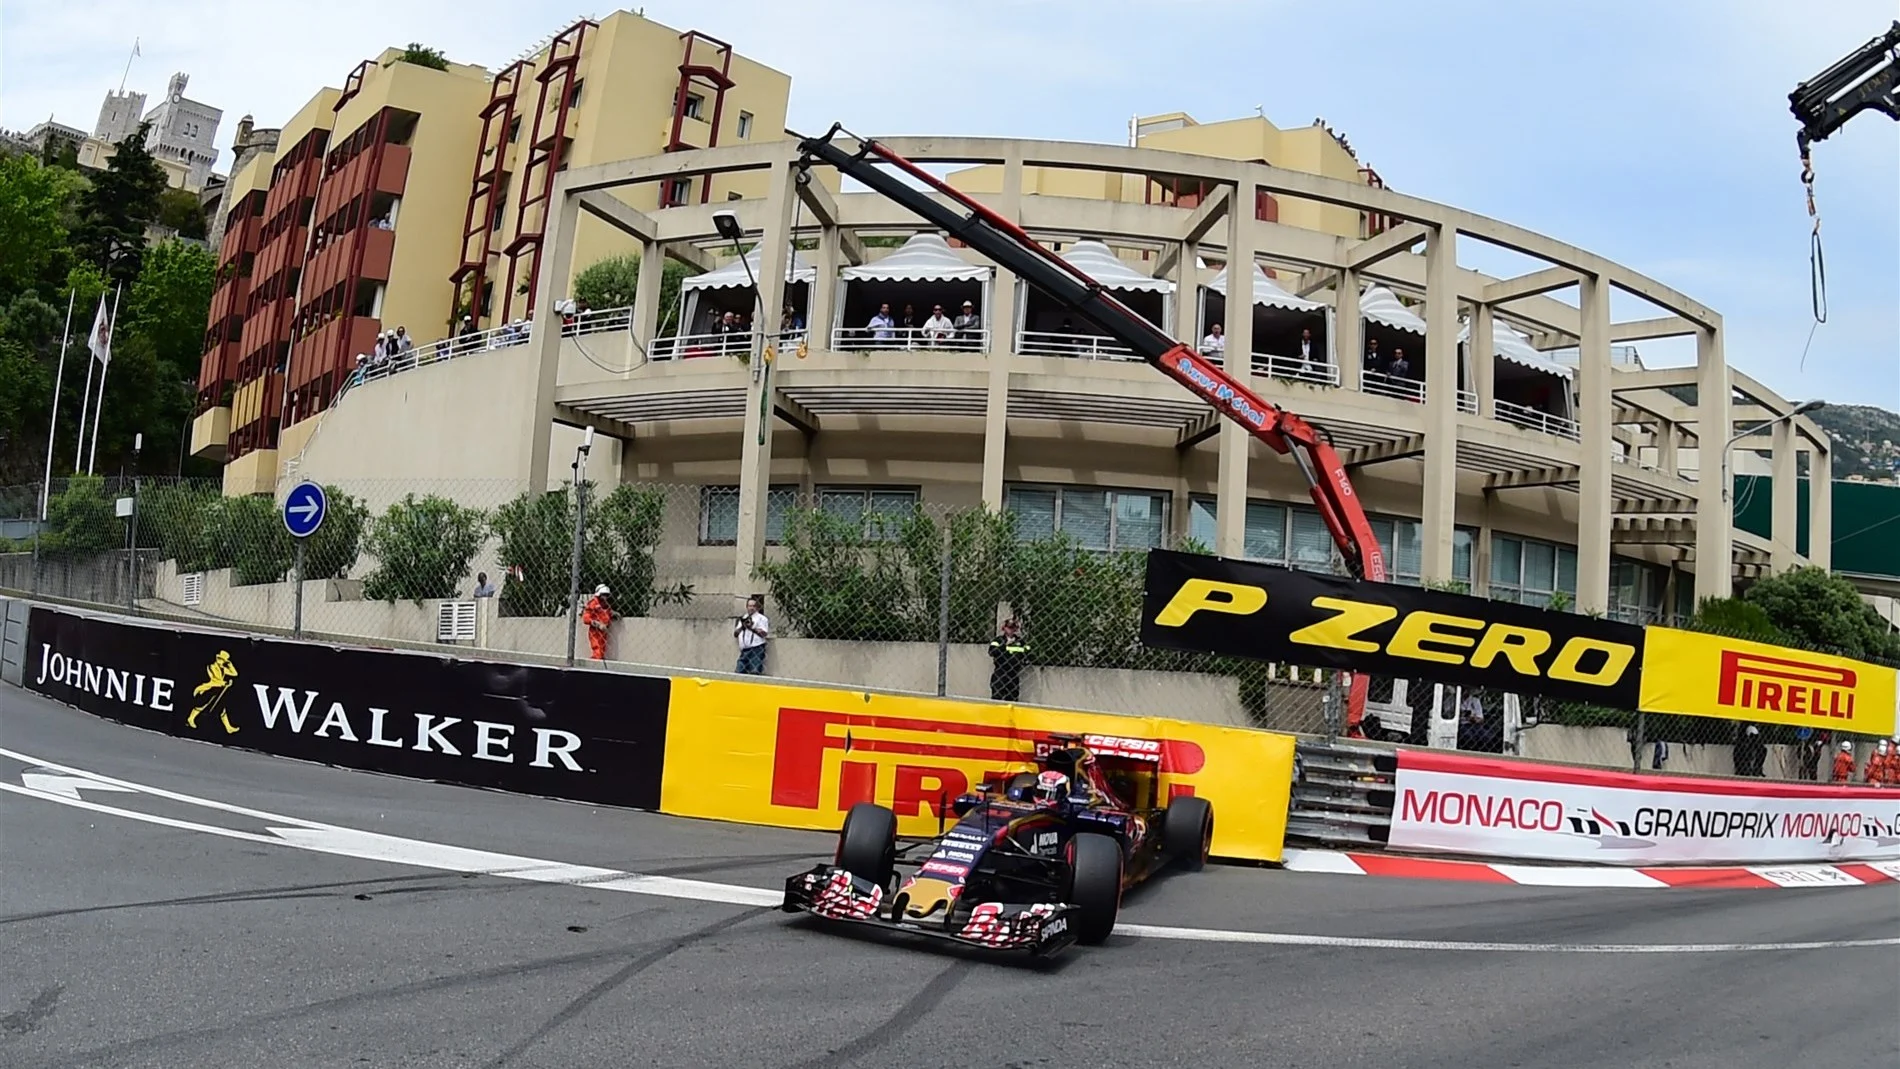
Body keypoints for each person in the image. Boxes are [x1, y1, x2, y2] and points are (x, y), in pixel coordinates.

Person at [988, 618, 1030, 702]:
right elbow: (991, 652)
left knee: (1012, 697)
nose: (1010, 630)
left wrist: (1024, 658)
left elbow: (1027, 652)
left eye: (1013, 628)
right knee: (997, 696)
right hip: (1000, 672)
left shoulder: (1020, 642)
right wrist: (1004, 645)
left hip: (1013, 673)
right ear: (1004, 628)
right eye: (1008, 627)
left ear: (1015, 629)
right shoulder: (998, 640)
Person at [734, 595, 770, 674]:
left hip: (756, 648)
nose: (751, 608)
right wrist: (743, 626)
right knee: (739, 671)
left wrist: (751, 628)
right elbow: (736, 634)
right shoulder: (744, 617)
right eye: (750, 606)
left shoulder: (762, 618)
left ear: (757, 607)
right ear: (746, 607)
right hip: (744, 649)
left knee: (754, 672)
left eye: (754, 606)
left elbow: (764, 634)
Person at [581, 584, 613, 661]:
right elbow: (586, 618)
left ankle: (599, 662)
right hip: (595, 631)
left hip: (603, 631)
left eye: (606, 595)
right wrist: (597, 624)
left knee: (602, 649)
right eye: (603, 595)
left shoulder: (605, 604)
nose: (605, 597)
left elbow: (606, 614)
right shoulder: (593, 603)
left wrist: (613, 614)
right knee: (597, 648)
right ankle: (595, 663)